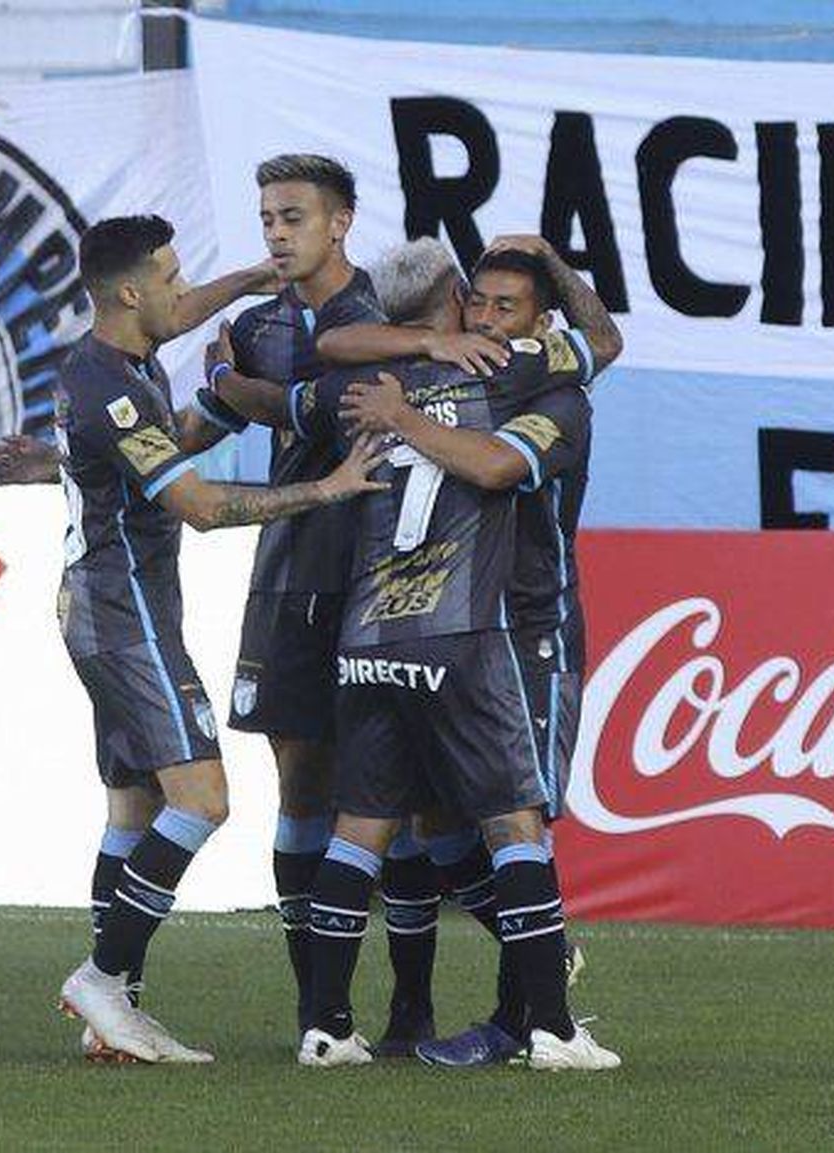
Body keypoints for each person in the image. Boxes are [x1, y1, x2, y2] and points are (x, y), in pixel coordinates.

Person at [221, 237, 620, 1070]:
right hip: (489, 631)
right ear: (451, 306)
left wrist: (227, 384)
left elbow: (310, 375)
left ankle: (345, 1024)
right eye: (477, 302)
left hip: (386, 633)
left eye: (503, 308)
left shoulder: (384, 381)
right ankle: (542, 1019)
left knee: (390, 829)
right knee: (506, 826)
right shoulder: (518, 375)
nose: (485, 318)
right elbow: (534, 422)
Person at [50, 214, 386, 1064]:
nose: (180, 290)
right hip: (122, 613)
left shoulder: (121, 360)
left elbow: (181, 345)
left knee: (133, 804)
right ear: (130, 293)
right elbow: (200, 508)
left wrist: (244, 285)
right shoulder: (113, 387)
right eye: (168, 277)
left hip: (110, 603)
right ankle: (102, 977)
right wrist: (326, 486)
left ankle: (112, 1014)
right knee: (202, 799)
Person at [215, 154, 507, 1044]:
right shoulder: (261, 322)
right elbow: (213, 417)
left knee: (401, 793)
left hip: (383, 577)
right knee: (303, 783)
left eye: (292, 216)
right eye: (267, 215)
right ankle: (320, 1005)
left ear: (340, 222)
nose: (276, 231)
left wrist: (236, 387)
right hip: (292, 574)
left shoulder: (370, 323)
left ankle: (413, 1000)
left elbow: (324, 402)